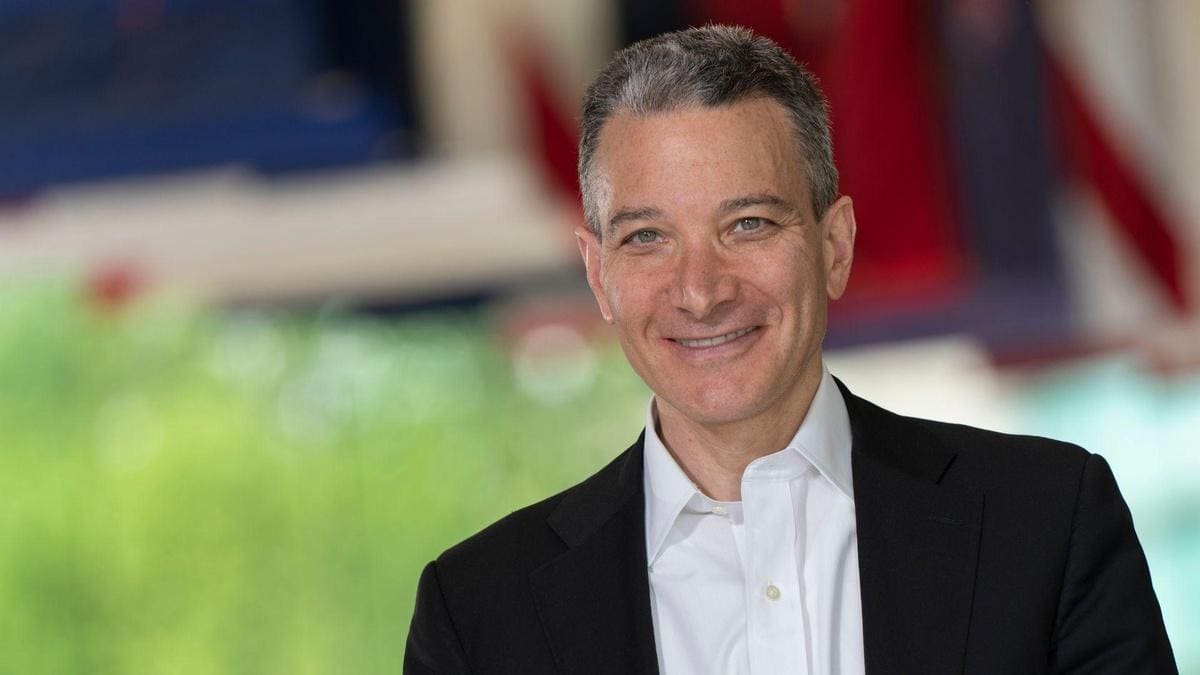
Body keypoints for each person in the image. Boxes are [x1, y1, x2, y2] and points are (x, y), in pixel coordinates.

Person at [405, 25, 1176, 674]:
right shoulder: (479, 613)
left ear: (834, 245)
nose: (701, 291)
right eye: (647, 238)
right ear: (598, 275)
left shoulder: (1047, 520)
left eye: (749, 224)